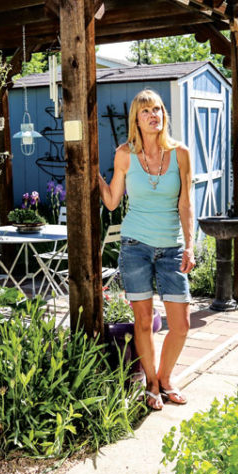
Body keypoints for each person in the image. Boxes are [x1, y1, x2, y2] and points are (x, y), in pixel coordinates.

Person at [98, 89, 195, 411]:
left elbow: (185, 203)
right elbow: (113, 201)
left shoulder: (180, 153)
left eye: (158, 109)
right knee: (142, 323)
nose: (154, 115)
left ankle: (166, 379)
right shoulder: (124, 154)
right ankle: (152, 384)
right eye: (146, 112)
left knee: (180, 325)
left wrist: (190, 245)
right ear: (136, 120)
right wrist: (93, 175)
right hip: (135, 246)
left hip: (171, 248)